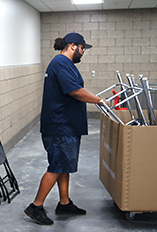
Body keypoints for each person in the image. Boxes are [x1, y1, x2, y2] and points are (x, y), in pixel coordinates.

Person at [24, 32, 107, 225]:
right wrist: (99, 100)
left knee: (64, 166)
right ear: (72, 46)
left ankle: (64, 202)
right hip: (60, 126)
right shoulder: (61, 63)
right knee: (57, 166)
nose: (83, 52)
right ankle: (35, 206)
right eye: (82, 48)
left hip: (66, 125)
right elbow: (75, 91)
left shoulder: (64, 64)